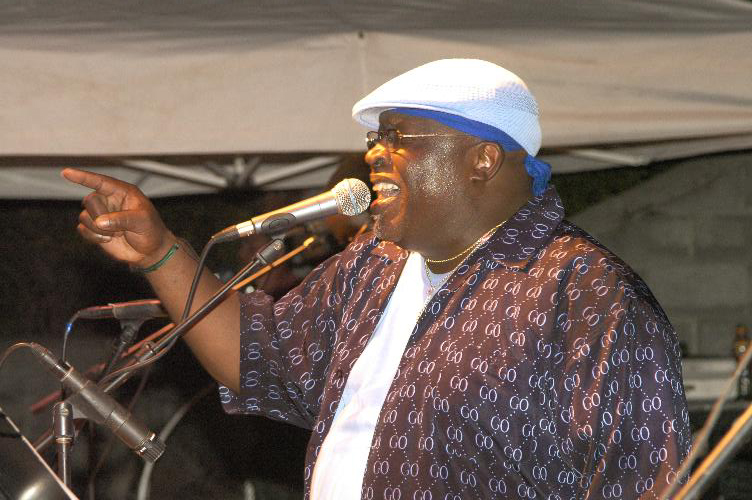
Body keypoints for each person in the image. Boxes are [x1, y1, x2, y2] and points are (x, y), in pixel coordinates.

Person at [63, 59, 690, 499]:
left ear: (482, 159)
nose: (373, 154)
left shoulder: (587, 295)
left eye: (398, 138)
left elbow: (647, 482)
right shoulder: (375, 264)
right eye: (374, 137)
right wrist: (160, 252)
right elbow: (254, 359)